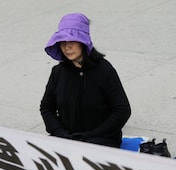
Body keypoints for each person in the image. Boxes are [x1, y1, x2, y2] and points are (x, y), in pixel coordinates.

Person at [40, 13, 131, 148]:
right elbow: (47, 107)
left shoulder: (104, 70)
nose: (67, 47)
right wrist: (60, 132)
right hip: (66, 138)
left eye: (72, 41)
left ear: (83, 42)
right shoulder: (58, 72)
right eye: (62, 42)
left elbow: (122, 110)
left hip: (101, 140)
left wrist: (93, 135)